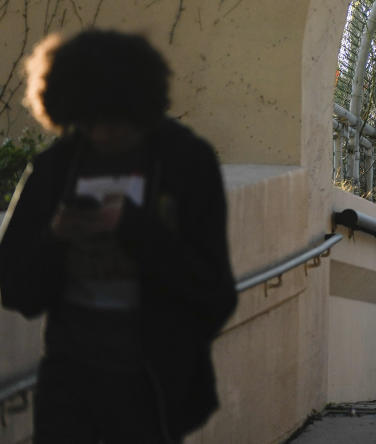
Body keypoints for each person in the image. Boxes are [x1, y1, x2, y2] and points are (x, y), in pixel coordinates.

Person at [0, 29, 237, 443]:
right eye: (90, 123)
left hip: (152, 391)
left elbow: (215, 292)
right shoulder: (55, 169)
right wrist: (55, 238)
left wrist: (133, 229)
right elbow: (15, 288)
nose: (103, 135)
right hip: (69, 389)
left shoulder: (185, 163)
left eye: (117, 122)